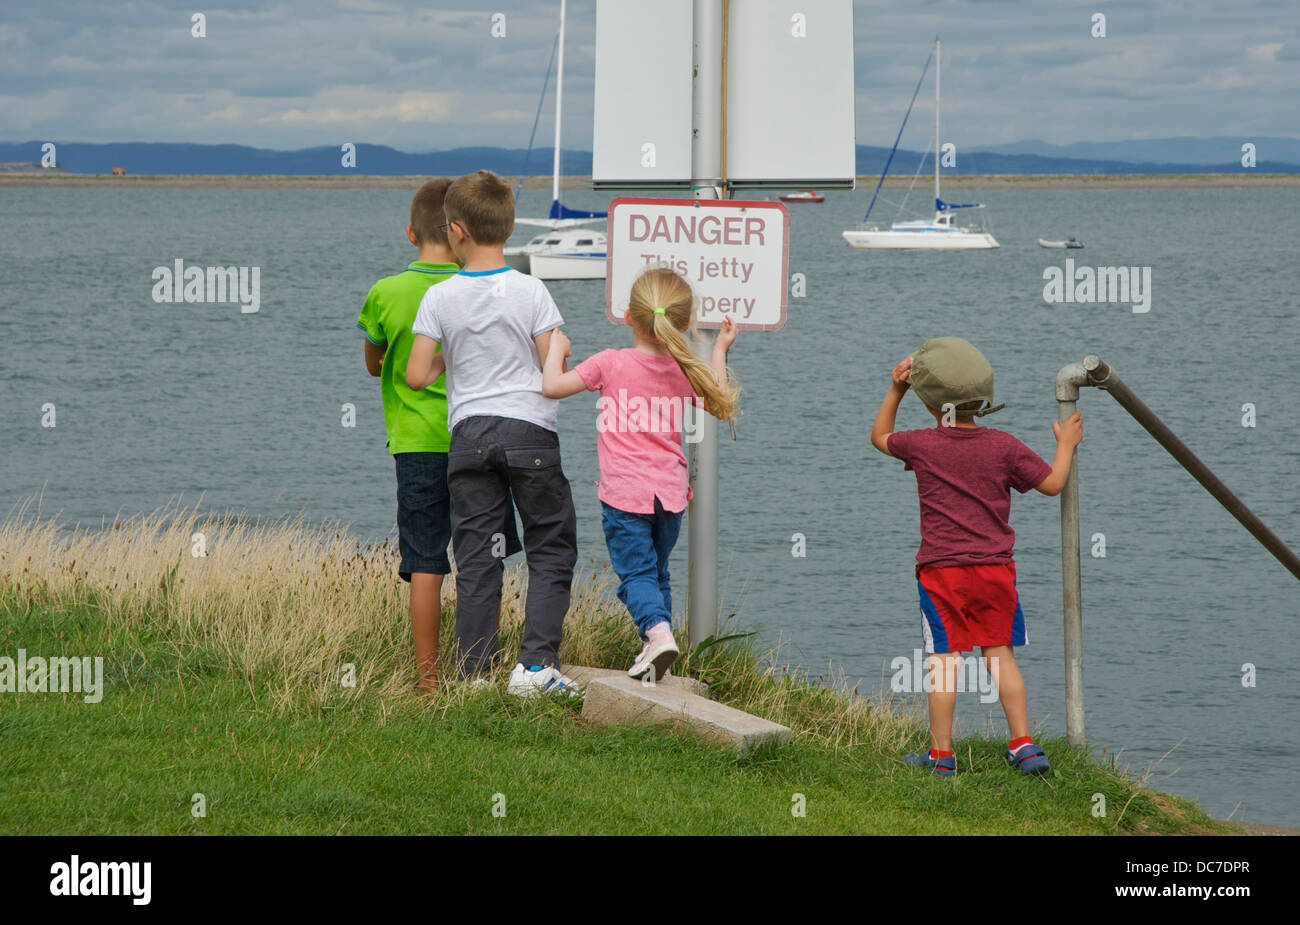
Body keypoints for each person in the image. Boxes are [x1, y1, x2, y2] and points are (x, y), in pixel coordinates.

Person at [870, 336, 1083, 777]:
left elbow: (879, 437)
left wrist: (896, 389)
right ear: (982, 398)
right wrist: (1065, 443)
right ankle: (1024, 745)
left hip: (941, 574)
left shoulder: (921, 444)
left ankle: (942, 755)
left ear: (932, 405)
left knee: (943, 663)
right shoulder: (1004, 446)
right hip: (995, 572)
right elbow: (1053, 484)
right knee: (1000, 654)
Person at [406, 169, 579, 697]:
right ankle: (533, 670)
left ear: (455, 231)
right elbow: (554, 350)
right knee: (550, 546)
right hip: (529, 433)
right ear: (505, 227)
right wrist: (563, 351)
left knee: (479, 555)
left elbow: (415, 375)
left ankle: (474, 673)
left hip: (470, 436)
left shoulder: (439, 297)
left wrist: (447, 363)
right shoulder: (531, 290)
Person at [358, 179, 520, 692]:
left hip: (415, 443)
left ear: (411, 233)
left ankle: (427, 681)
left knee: (424, 561)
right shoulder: (476, 285)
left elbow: (373, 363)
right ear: (459, 234)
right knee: (483, 552)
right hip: (479, 435)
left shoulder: (387, 292)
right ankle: (482, 667)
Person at [541, 265, 740, 681]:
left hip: (625, 496)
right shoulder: (685, 370)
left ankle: (657, 632)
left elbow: (552, 387)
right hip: (670, 496)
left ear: (628, 316)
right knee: (657, 573)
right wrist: (719, 349)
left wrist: (556, 349)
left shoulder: (610, 363)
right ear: (683, 325)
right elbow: (720, 399)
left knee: (635, 574)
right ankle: (656, 655)